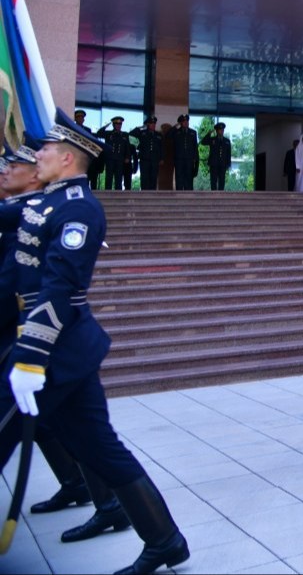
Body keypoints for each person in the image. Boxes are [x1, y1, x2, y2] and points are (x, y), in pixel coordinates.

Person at [0, 109, 190, 574]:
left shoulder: (80, 210)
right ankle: (164, 540)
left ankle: (159, 537)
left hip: (54, 350)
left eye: (45, 149)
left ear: (67, 158)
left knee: (90, 444)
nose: (37, 155)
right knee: (99, 446)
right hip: (62, 350)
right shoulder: (47, 201)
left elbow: (60, 288)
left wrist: (29, 358)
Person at [95, 116, 136, 191]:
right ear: (113, 125)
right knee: (109, 178)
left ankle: (118, 195)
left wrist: (127, 157)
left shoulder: (124, 135)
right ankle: (107, 194)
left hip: (120, 159)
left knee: (119, 179)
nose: (119, 126)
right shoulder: (109, 134)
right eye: (117, 124)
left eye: (120, 124)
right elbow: (99, 133)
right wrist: (106, 125)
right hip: (110, 159)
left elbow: (127, 147)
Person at [129, 116, 164, 191]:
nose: (153, 125)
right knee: (144, 178)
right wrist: (141, 127)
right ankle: (144, 194)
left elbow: (161, 147)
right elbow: (131, 134)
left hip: (155, 160)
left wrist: (161, 158)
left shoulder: (158, 135)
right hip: (144, 159)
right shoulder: (142, 133)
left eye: (154, 124)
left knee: (153, 177)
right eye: (151, 124)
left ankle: (153, 194)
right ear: (147, 124)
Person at [200, 122, 233, 191]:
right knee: (213, 182)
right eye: (220, 130)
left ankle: (221, 196)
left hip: (223, 164)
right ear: (217, 131)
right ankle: (213, 196)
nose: (222, 131)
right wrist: (209, 134)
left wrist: (228, 164)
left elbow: (228, 154)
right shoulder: (212, 140)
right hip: (213, 164)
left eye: (223, 130)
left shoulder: (227, 141)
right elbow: (203, 142)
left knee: (222, 181)